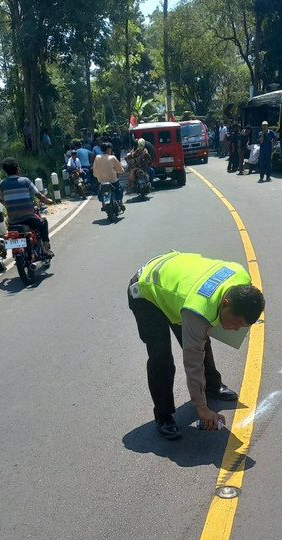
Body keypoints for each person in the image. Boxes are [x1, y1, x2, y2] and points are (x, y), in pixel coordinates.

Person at [128, 250, 265, 439]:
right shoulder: (198, 309)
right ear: (225, 303)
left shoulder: (240, 276)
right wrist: (202, 408)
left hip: (176, 282)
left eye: (241, 326)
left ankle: (211, 385)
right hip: (145, 292)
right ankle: (163, 414)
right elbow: (193, 361)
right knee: (161, 357)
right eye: (235, 323)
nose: (235, 329)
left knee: (201, 336)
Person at [0, 158, 54, 258]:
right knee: (43, 223)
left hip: (13, 220)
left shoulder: (3, 184)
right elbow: (39, 195)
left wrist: (10, 207)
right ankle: (46, 248)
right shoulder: (25, 181)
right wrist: (47, 201)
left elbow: (1, 199)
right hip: (28, 218)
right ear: (17, 169)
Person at [93, 141, 125, 211]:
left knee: (101, 191)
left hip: (101, 181)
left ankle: (103, 204)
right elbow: (120, 169)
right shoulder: (112, 157)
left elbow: (95, 169)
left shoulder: (97, 157)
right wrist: (122, 172)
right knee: (119, 189)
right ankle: (120, 203)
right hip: (113, 180)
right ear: (108, 149)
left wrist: (97, 176)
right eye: (110, 149)